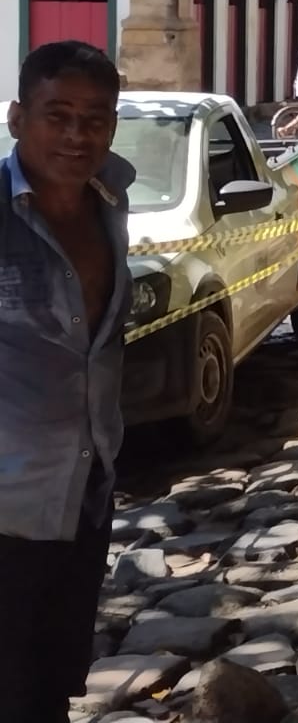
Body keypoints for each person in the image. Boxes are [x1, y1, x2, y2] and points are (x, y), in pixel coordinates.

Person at [0, 41, 131, 723]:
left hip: (82, 495)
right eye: (59, 115)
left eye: (96, 118)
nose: (78, 135)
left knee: (49, 690)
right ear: (20, 118)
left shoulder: (111, 204)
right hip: (5, 507)